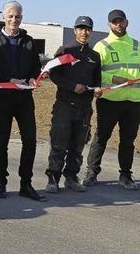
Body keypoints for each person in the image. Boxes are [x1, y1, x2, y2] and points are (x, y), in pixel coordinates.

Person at [0, 0, 45, 201]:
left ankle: (26, 184)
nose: (14, 20)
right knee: (2, 141)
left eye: (17, 16)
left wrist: (32, 78)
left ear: (21, 18)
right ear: (3, 17)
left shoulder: (29, 41)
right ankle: (1, 182)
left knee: (30, 141)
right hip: (2, 99)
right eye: (10, 16)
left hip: (25, 98)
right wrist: (8, 80)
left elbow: (36, 66)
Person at [44, 16, 102, 194]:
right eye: (81, 28)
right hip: (64, 105)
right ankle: (53, 178)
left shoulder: (94, 56)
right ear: (75, 30)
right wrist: (72, 86)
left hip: (84, 108)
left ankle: (71, 177)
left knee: (78, 145)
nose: (84, 32)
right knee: (59, 143)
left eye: (87, 29)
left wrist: (97, 89)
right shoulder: (66, 50)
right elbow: (54, 75)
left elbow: (96, 80)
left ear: (91, 31)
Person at [84, 9, 140, 189]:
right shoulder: (102, 46)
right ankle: (91, 173)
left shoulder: (137, 46)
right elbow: (95, 73)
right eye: (114, 22)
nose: (118, 24)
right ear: (109, 24)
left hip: (134, 101)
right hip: (110, 100)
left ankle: (125, 176)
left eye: (121, 21)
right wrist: (113, 79)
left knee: (128, 140)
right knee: (101, 137)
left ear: (126, 22)